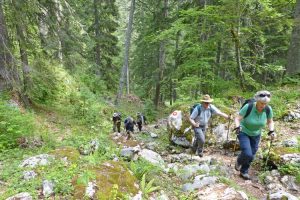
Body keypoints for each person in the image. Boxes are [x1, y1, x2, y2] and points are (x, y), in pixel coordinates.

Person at [234, 90, 275, 180]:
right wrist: (237, 127)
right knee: (247, 153)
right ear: (257, 100)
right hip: (244, 131)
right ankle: (239, 160)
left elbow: (270, 121)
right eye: (261, 103)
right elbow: (237, 118)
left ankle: (244, 171)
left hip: (256, 134)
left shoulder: (268, 109)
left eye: (265, 104)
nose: (263, 106)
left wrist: (272, 131)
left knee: (252, 155)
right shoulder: (248, 107)